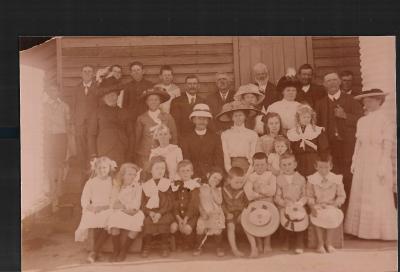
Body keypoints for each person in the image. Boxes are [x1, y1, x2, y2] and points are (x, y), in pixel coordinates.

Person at [344, 89, 397, 240]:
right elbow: (358, 143)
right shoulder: (362, 121)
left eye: (369, 100)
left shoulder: (386, 120)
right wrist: (354, 160)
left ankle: (378, 231)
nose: (365, 103)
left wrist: (382, 164)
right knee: (362, 190)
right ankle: (360, 231)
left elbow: (387, 144)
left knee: (377, 191)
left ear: (378, 100)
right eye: (364, 100)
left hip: (377, 158)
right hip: (363, 160)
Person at [315, 72, 363, 209]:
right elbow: (317, 128)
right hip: (330, 148)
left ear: (339, 82)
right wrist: (324, 149)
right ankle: (335, 212)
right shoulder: (320, 104)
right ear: (324, 84)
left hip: (348, 148)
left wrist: (345, 116)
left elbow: (361, 119)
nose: (332, 83)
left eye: (334, 80)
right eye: (328, 81)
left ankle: (349, 211)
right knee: (332, 180)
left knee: (348, 180)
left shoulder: (351, 100)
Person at [75, 156, 117, 263]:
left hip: (108, 207)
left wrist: (103, 207)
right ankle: (98, 251)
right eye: (99, 168)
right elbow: (84, 198)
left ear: (109, 168)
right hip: (94, 207)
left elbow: (114, 198)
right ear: (95, 169)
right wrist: (91, 207)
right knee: (93, 218)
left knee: (109, 219)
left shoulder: (112, 182)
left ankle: (94, 251)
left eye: (104, 168)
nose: (102, 170)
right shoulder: (91, 182)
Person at [306, 155, 346, 254]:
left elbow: (341, 196)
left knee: (332, 215)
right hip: (318, 205)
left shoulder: (336, 179)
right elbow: (309, 196)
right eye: (320, 167)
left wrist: (335, 204)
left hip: (331, 205)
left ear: (331, 166)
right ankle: (320, 243)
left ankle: (329, 243)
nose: (323, 170)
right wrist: (312, 207)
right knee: (317, 215)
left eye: (326, 167)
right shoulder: (312, 179)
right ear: (316, 166)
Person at [108, 163, 144, 262]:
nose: (132, 177)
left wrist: (124, 206)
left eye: (134, 174)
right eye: (129, 174)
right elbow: (113, 203)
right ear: (123, 175)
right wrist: (123, 207)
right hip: (119, 211)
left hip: (133, 211)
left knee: (137, 222)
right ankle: (116, 250)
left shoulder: (137, 186)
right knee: (114, 220)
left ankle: (124, 250)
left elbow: (136, 205)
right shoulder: (117, 185)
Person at [43, 85, 72, 212]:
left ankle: (58, 195)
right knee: (50, 165)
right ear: (48, 92)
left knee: (61, 165)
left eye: (56, 90)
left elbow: (69, 123)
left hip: (61, 137)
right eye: (51, 90)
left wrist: (70, 142)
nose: (53, 92)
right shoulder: (43, 106)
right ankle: (52, 195)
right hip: (48, 137)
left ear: (59, 92)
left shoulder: (64, 106)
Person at [88, 87, 132, 167]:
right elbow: (91, 135)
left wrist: (129, 153)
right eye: (107, 95)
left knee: (119, 175)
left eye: (113, 95)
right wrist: (93, 154)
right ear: (104, 98)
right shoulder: (97, 112)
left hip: (121, 150)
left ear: (117, 96)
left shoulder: (124, 112)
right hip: (104, 150)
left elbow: (131, 134)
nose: (111, 98)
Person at [135, 87, 178, 168]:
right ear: (146, 102)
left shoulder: (168, 117)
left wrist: (171, 152)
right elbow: (137, 138)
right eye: (150, 100)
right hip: (146, 154)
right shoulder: (141, 118)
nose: (153, 102)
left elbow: (174, 137)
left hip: (164, 154)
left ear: (160, 101)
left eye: (156, 100)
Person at [243, 152, 277, 257]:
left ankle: (267, 242)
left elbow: (272, 191)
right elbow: (249, 193)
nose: (260, 167)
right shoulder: (251, 177)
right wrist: (258, 194)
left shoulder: (271, 176)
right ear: (253, 166)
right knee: (256, 219)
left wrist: (259, 190)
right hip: (255, 203)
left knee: (269, 218)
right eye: (257, 165)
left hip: (268, 203)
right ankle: (259, 242)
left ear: (267, 165)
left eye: (262, 164)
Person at [141, 156, 175, 258]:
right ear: (151, 170)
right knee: (147, 222)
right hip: (151, 213)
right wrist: (150, 213)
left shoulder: (167, 183)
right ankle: (147, 246)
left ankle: (164, 246)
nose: (160, 171)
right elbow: (143, 203)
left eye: (163, 168)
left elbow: (170, 203)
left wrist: (160, 213)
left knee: (165, 221)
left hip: (164, 212)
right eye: (157, 168)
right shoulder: (146, 185)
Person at [181, 103, 224, 181]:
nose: (202, 121)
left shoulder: (215, 138)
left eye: (205, 119)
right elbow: (186, 159)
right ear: (193, 120)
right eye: (199, 118)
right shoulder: (186, 138)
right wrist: (193, 176)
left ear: (208, 120)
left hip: (211, 176)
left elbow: (218, 160)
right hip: (192, 175)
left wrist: (213, 174)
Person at [70, 65, 99, 180]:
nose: (87, 73)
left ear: (93, 74)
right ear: (81, 73)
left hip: (93, 124)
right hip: (80, 125)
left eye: (89, 71)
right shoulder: (76, 88)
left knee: (92, 149)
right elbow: (73, 106)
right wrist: (74, 123)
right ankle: (83, 177)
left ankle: (93, 176)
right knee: (81, 151)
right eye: (85, 71)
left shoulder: (97, 87)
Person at [274, 153, 307, 254]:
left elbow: (305, 195)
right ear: (280, 166)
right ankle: (285, 241)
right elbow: (277, 196)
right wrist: (283, 203)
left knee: (301, 218)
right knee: (284, 217)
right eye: (284, 165)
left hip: (298, 205)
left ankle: (299, 243)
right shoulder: (279, 179)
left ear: (295, 165)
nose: (287, 167)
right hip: (285, 205)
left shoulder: (301, 179)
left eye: (289, 164)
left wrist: (300, 203)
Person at [217, 100, 260, 173]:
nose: (238, 118)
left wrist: (248, 175)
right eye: (235, 115)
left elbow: (253, 157)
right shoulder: (225, 134)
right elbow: (226, 156)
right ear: (232, 118)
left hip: (248, 168)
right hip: (232, 168)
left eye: (240, 115)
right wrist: (230, 172)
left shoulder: (252, 134)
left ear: (245, 117)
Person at [287, 104, 329, 177]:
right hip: (298, 161)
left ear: (311, 118)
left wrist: (322, 164)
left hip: (313, 160)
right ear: (298, 118)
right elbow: (291, 149)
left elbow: (324, 149)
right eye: (304, 117)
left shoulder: (317, 130)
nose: (306, 119)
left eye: (308, 117)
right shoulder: (292, 132)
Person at [170, 160, 201, 253]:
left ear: (192, 172)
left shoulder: (194, 186)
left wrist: (186, 218)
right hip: (178, 215)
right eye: (182, 171)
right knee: (173, 227)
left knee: (187, 229)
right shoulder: (176, 186)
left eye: (188, 171)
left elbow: (193, 204)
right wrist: (179, 218)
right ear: (178, 173)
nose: (185, 173)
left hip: (191, 216)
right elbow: (174, 203)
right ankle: (179, 243)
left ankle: (190, 244)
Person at [194, 167, 226, 257]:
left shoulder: (218, 189)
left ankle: (219, 247)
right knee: (200, 227)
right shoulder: (201, 187)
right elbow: (198, 202)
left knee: (217, 229)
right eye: (214, 177)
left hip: (216, 213)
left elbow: (219, 202)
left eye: (219, 180)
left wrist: (213, 190)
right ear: (208, 175)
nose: (216, 180)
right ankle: (199, 246)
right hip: (204, 212)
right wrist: (202, 212)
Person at [170, 75, 207, 141]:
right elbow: (174, 124)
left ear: (198, 86)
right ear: (185, 86)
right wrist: (180, 139)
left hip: (199, 139)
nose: (192, 86)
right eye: (189, 84)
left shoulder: (203, 101)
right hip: (183, 139)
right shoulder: (176, 101)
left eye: (194, 84)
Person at [222, 167, 249, 257]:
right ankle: (234, 249)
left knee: (247, 223)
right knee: (230, 226)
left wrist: (243, 213)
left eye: (241, 182)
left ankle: (254, 246)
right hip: (229, 214)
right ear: (229, 180)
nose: (239, 184)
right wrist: (226, 213)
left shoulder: (243, 190)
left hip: (240, 213)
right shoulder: (224, 190)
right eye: (236, 182)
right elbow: (222, 203)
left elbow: (247, 204)